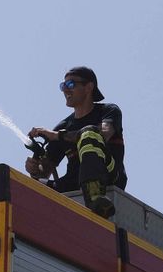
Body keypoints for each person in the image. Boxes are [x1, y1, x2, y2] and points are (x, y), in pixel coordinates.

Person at [25, 66, 126, 217]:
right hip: (72, 185)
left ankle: (95, 197)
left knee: (89, 134)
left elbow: (103, 134)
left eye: (71, 84)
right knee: (25, 187)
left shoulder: (109, 110)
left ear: (89, 87)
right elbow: (44, 171)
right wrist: (35, 167)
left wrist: (56, 136)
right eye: (63, 86)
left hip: (109, 177)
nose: (65, 90)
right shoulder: (63, 127)